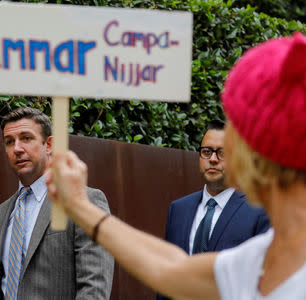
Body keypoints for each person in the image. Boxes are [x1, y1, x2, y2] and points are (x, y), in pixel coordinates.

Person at [46, 32, 306, 300]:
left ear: (256, 150)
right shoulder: (263, 256)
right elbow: (172, 269)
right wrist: (79, 205)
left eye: (234, 128)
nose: (220, 151)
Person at [0, 107, 114, 300]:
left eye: (26, 138)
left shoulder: (83, 201)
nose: (17, 149)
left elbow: (94, 287)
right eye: (9, 142)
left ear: (49, 144)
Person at [157, 120, 270, 300]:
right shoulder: (178, 209)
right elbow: (167, 274)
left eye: (222, 153)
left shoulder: (258, 211)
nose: (213, 159)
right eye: (206, 152)